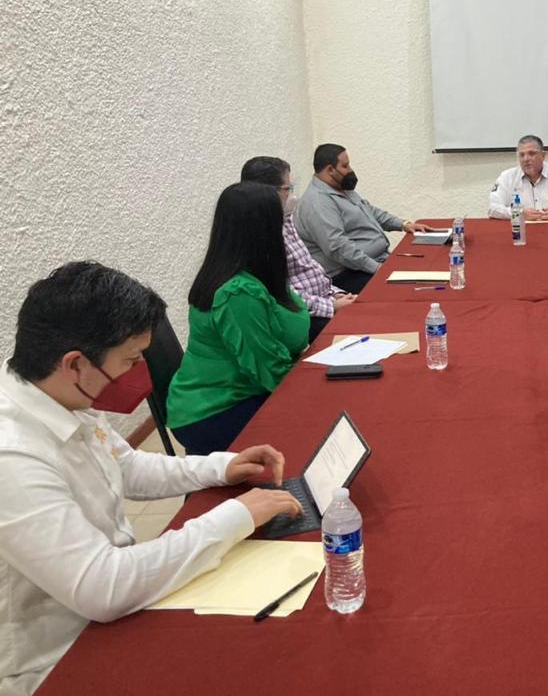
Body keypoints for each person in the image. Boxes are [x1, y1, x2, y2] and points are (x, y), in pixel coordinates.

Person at [0, 262, 301, 693]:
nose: (139, 370)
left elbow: (126, 466)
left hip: (115, 605)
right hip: (61, 656)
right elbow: (102, 586)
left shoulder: (59, 394)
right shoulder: (12, 455)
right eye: (130, 359)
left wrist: (220, 467)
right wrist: (236, 516)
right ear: (75, 364)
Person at [167, 182, 310, 455]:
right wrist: (313, 390)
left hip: (242, 392)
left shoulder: (253, 274)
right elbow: (267, 367)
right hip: (216, 410)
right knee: (317, 427)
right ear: (264, 230)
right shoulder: (237, 292)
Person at [240, 156, 356, 341]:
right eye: (288, 188)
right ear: (267, 192)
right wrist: (331, 306)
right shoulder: (260, 236)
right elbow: (282, 295)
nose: (292, 196)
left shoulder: (285, 220)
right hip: (305, 315)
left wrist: (336, 295)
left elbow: (310, 270)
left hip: (325, 299)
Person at [293, 143, 433, 293]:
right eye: (345, 166)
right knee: (413, 291)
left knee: (428, 267)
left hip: (374, 261)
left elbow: (369, 210)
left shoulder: (341, 188)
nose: (350, 170)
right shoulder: (318, 202)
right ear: (330, 170)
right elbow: (338, 248)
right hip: (349, 273)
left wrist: (403, 224)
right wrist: (377, 268)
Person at [487, 135, 548, 220]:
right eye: (521, 155)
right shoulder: (507, 177)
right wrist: (518, 213)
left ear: (543, 155)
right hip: (521, 231)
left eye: (531, 153)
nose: (526, 159)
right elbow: (492, 208)